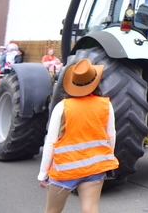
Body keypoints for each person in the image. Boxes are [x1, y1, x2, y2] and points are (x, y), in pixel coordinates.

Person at [38, 59, 118, 213]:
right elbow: (111, 136)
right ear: (95, 82)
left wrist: (43, 173)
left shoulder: (62, 107)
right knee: (90, 210)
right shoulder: (106, 105)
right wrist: (105, 159)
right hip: (94, 169)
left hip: (64, 170)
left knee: (52, 211)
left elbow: (50, 143)